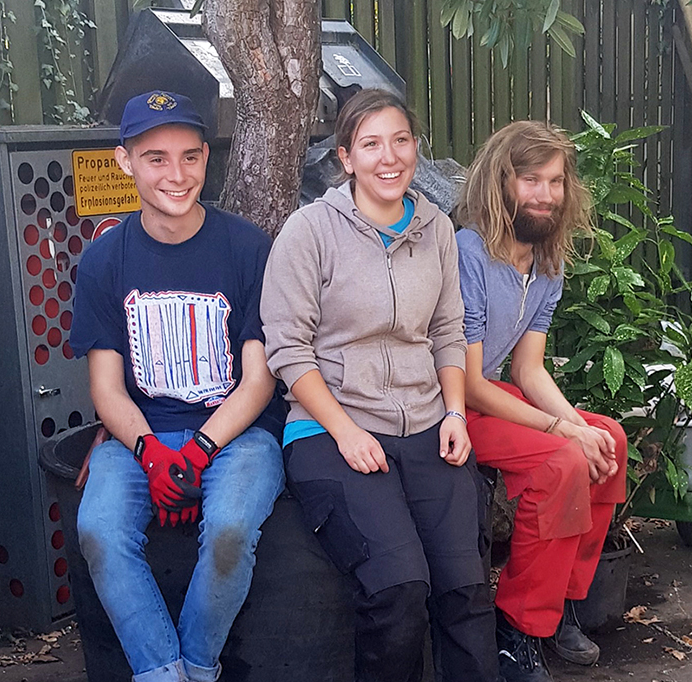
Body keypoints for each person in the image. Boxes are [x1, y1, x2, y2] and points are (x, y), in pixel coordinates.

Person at [260, 88, 497, 682]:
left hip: (425, 423)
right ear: (345, 158)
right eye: (370, 145)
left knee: (466, 590)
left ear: (415, 147)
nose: (388, 157)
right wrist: (344, 431)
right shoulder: (309, 231)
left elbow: (446, 331)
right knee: (399, 590)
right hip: (329, 428)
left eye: (400, 141)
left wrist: (455, 415)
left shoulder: (437, 228)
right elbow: (288, 348)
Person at [70, 91, 285, 682]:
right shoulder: (105, 261)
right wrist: (149, 451)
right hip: (139, 434)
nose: (177, 173)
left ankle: (195, 663)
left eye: (190, 156)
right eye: (157, 158)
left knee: (230, 530)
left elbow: (260, 375)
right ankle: (163, 672)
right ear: (125, 162)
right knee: (99, 530)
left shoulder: (247, 248)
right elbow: (107, 387)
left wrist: (200, 449)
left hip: (235, 434)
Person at [455, 120, 629, 682]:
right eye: (531, 179)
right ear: (502, 182)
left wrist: (579, 425)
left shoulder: (545, 263)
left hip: (494, 396)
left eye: (554, 181)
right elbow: (474, 381)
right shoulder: (470, 253)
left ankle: (562, 604)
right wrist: (562, 434)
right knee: (561, 463)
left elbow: (529, 370)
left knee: (609, 440)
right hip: (450, 403)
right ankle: (519, 626)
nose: (545, 194)